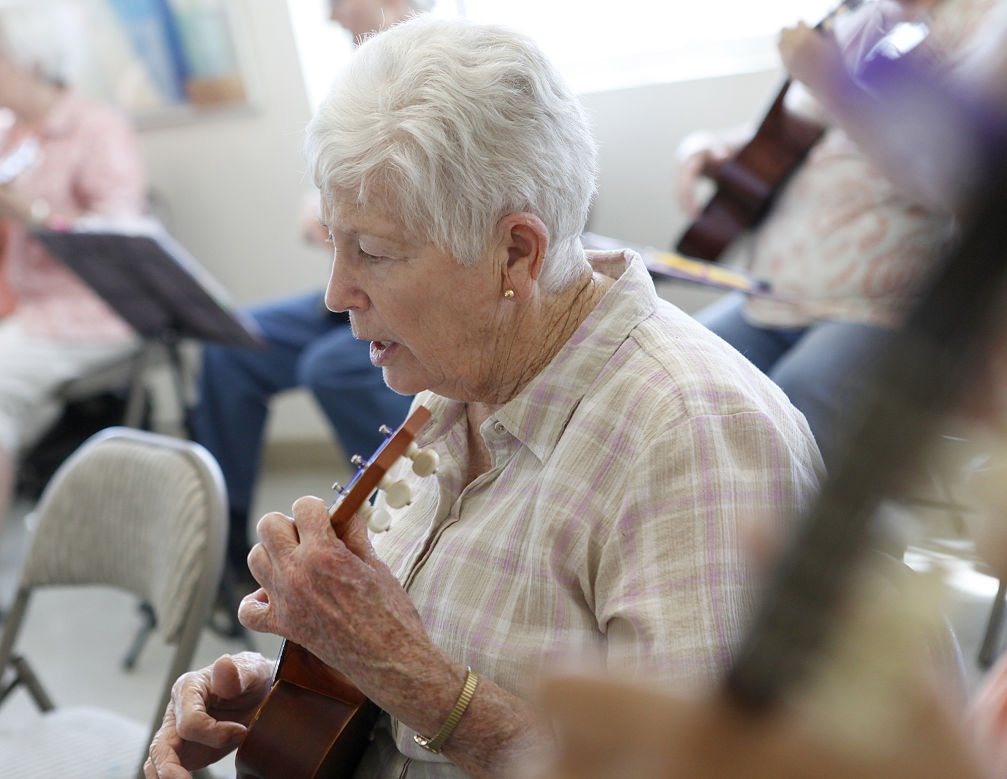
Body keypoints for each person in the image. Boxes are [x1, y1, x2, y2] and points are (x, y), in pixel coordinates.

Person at [144, 17, 822, 778]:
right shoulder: (460, 377)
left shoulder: (694, 437)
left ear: (516, 252)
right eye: (333, 242)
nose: (336, 292)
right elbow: (456, 647)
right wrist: (292, 691)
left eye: (372, 250)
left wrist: (409, 677)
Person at [677, 0, 997, 470]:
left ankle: (793, 538)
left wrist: (835, 82)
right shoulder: (860, 18)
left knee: (799, 390)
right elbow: (788, 135)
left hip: (883, 308)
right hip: (777, 292)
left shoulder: (986, 31)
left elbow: (962, 181)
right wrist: (707, 147)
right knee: (679, 370)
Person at [190, 0, 429, 585]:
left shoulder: (441, 72)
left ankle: (397, 529)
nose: (327, 16)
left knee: (332, 367)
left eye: (335, 2)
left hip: (404, 284)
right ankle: (222, 553)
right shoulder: (356, 82)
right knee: (230, 343)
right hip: (363, 273)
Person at [0, 42, 146, 536]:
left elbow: (119, 238)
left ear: (32, 59)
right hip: (29, 310)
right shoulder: (11, 135)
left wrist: (30, 212)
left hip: (92, 312)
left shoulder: (96, 127)